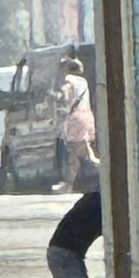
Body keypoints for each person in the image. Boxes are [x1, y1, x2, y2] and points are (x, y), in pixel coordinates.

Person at [53, 57, 97, 193]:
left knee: (74, 151)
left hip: (74, 120)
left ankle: (69, 184)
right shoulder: (83, 82)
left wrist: (55, 97)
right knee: (83, 151)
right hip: (86, 117)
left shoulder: (68, 81)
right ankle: (69, 183)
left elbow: (65, 99)